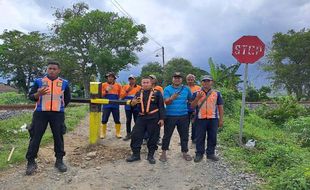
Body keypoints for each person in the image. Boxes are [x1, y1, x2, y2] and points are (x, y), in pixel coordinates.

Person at [25, 60, 71, 175]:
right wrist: (37, 95)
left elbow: (67, 99)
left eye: (54, 69)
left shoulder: (64, 83)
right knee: (35, 137)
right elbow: (31, 96)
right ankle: (31, 162)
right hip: (40, 114)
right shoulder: (39, 82)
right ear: (47, 69)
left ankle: (59, 161)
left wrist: (59, 108)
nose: (52, 70)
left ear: (58, 70)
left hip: (57, 115)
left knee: (58, 137)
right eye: (50, 68)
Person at [126, 76, 165, 164]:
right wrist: (133, 103)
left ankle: (150, 156)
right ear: (141, 84)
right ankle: (136, 155)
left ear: (151, 83)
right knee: (135, 135)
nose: (145, 84)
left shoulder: (157, 93)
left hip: (154, 118)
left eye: (147, 82)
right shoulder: (138, 93)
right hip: (141, 118)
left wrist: (162, 119)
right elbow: (132, 104)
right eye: (144, 82)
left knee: (153, 137)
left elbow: (161, 106)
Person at [160, 72, 193, 162]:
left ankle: (185, 152)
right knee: (167, 135)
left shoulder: (186, 89)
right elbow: (166, 102)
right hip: (170, 116)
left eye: (179, 78)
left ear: (181, 79)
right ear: (172, 79)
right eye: (175, 77)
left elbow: (191, 100)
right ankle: (163, 153)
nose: (177, 79)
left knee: (184, 135)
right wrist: (172, 98)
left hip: (184, 116)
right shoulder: (167, 89)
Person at [191, 75, 224, 162]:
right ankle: (199, 153)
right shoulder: (196, 93)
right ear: (201, 82)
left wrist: (221, 119)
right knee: (200, 137)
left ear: (211, 82)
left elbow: (220, 107)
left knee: (212, 137)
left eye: (208, 81)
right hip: (200, 118)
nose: (206, 83)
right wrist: (197, 98)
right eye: (204, 81)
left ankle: (210, 153)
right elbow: (192, 106)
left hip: (213, 119)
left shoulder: (217, 93)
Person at [100, 72, 122, 139]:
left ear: (114, 78)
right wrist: (106, 91)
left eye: (112, 77)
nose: (110, 78)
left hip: (115, 105)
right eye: (109, 76)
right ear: (107, 78)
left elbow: (121, 95)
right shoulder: (103, 85)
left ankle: (118, 133)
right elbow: (100, 95)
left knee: (117, 119)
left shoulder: (118, 85)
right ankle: (103, 133)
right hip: (106, 105)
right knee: (104, 119)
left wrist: (120, 99)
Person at [120, 74, 141, 141]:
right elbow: (121, 97)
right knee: (128, 120)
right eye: (130, 79)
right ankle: (128, 134)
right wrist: (127, 91)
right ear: (128, 80)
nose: (131, 80)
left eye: (132, 79)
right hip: (128, 106)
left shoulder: (139, 88)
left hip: (136, 106)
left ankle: (136, 134)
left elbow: (141, 97)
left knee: (136, 120)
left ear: (135, 80)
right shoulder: (125, 87)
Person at [186, 74, 201, 144]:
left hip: (195, 108)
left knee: (195, 125)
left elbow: (200, 98)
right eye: (189, 79)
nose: (190, 81)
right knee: (185, 125)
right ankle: (184, 139)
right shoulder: (184, 88)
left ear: (194, 80)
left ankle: (194, 138)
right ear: (186, 80)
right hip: (185, 108)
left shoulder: (198, 88)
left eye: (192, 79)